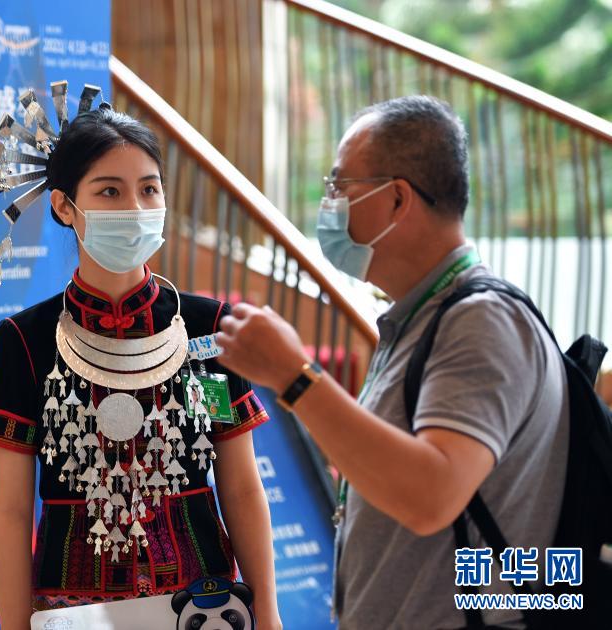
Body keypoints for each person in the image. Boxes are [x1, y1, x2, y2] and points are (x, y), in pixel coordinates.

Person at [215, 95, 570, 629]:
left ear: (398, 199)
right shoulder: (424, 318)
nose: (328, 203)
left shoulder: (482, 320)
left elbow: (432, 496)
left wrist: (293, 376)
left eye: (339, 186)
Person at [0, 101, 279, 627]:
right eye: (110, 191)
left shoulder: (208, 329)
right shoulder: (26, 340)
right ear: (64, 206)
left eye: (149, 189)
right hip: (73, 612)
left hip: (202, 605)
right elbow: (9, 510)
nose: (136, 207)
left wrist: (269, 614)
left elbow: (241, 486)